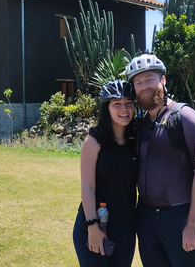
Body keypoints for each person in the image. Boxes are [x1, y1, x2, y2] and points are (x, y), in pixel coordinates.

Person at [125, 53, 195, 267]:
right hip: (145, 217)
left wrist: (193, 225)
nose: (144, 86)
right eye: (138, 82)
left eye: (149, 79)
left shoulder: (186, 118)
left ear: (162, 80)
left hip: (180, 215)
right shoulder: (140, 123)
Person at [72, 80, 139, 267]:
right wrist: (92, 227)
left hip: (126, 227)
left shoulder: (137, 140)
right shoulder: (93, 142)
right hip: (95, 224)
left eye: (128, 103)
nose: (124, 109)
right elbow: (87, 187)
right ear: (106, 108)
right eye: (116, 104)